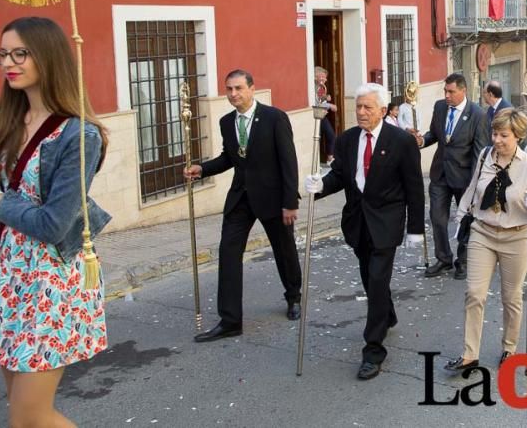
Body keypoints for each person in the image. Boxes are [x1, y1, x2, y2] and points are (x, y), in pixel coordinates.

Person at [0, 17, 110, 427]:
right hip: (9, 276)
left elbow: (54, 224)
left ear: (48, 56)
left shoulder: (79, 135)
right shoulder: (6, 121)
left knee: (28, 417)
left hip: (50, 281)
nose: (9, 62)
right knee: (22, 415)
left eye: (21, 52)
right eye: (3, 53)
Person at [304, 84, 425, 380]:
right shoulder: (346, 140)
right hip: (358, 222)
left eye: (367, 107)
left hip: (387, 222)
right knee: (370, 279)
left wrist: (415, 229)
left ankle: (373, 350)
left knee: (378, 276)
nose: (360, 112)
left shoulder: (400, 141)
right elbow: (341, 175)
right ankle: (387, 313)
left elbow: (414, 188)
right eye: (358, 106)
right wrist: (321, 185)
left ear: (383, 110)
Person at [187, 69, 303, 342]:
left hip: (273, 198)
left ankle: (293, 297)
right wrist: (201, 169)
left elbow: (289, 162)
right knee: (228, 253)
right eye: (229, 89)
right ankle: (230, 320)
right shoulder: (227, 122)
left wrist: (289, 202)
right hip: (240, 197)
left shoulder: (275, 118)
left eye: (238, 88)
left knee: (284, 249)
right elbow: (229, 158)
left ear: (252, 89)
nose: (233, 94)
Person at [444, 109, 527, 374]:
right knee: (474, 294)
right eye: (494, 133)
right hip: (483, 232)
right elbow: (473, 188)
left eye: (504, 135)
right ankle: (469, 355)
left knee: (511, 297)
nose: (497, 140)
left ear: (518, 136)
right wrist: (461, 215)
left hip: (515, 237)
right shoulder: (484, 156)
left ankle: (510, 347)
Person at [416, 73, 489, 280]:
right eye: (445, 91)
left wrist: (476, 183)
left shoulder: (477, 115)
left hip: (464, 176)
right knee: (437, 218)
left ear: (463, 91)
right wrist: (421, 141)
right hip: (440, 174)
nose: (447, 95)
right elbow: (434, 134)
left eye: (451, 92)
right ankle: (443, 258)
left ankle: (463, 261)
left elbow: (480, 152)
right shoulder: (440, 107)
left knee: (465, 220)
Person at [314, 66, 339, 163]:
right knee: (318, 137)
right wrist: (330, 105)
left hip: (322, 115)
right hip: (317, 115)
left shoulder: (322, 87)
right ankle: (317, 161)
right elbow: (318, 102)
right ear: (316, 76)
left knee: (331, 135)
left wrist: (325, 98)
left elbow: (321, 99)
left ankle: (330, 158)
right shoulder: (316, 87)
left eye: (325, 77)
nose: (325, 79)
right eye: (323, 77)